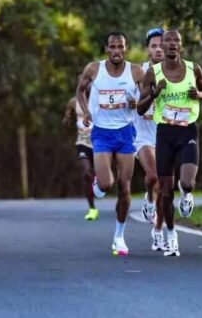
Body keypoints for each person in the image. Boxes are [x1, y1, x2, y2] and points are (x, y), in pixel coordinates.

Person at [137, 29, 202, 257]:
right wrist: (154, 95)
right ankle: (171, 235)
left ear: (180, 45)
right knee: (165, 191)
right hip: (164, 132)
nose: (169, 45)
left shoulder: (193, 68)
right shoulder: (152, 72)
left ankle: (186, 193)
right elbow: (140, 108)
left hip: (188, 129)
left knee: (187, 182)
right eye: (166, 41)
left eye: (174, 41)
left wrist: (199, 95)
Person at [76, 31, 143, 256]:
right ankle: (98, 184)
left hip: (126, 133)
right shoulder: (94, 69)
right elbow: (80, 90)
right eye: (112, 47)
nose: (117, 51)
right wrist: (86, 111)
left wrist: (137, 102)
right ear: (106, 49)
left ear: (126, 48)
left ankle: (119, 237)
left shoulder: (136, 71)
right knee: (106, 185)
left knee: (125, 188)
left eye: (120, 47)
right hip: (102, 133)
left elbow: (147, 100)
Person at [134, 27, 166, 251]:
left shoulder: (177, 73)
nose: (158, 49)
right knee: (153, 176)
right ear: (148, 50)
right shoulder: (139, 73)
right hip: (142, 135)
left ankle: (158, 230)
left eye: (162, 45)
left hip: (166, 134)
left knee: (166, 185)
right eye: (154, 46)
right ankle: (148, 199)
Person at [63, 96, 99, 220]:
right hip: (82, 143)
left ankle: (98, 180)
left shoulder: (99, 98)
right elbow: (68, 113)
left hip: (99, 143)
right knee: (86, 174)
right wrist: (67, 118)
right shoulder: (74, 102)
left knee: (99, 176)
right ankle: (92, 209)